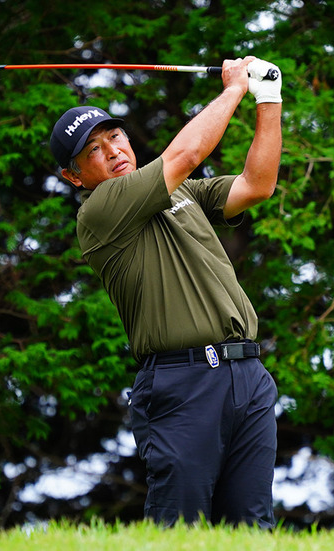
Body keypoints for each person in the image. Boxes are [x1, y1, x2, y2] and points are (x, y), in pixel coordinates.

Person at [50, 56, 283, 528]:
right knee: (181, 527)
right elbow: (185, 156)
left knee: (252, 529)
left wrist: (268, 98)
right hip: (182, 384)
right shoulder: (99, 211)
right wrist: (234, 88)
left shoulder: (183, 194)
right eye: (92, 150)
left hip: (247, 376)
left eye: (114, 137)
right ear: (75, 177)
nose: (112, 151)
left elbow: (257, 185)